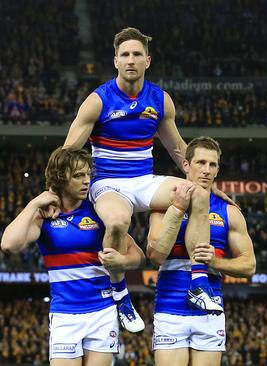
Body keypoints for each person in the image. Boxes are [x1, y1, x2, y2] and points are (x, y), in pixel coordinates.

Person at [62, 27, 222, 327]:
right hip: (108, 183)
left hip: (144, 180)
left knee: (199, 194)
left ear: (148, 60)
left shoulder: (161, 100)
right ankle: (121, 295)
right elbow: (69, 150)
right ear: (115, 61)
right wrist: (54, 191)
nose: (131, 60)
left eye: (137, 54)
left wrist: (204, 180)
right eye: (125, 55)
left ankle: (199, 282)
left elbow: (177, 148)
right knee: (118, 222)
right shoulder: (98, 100)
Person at [0, 147, 145, 365]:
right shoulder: (45, 215)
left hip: (102, 311)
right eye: (79, 176)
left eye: (88, 174)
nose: (87, 181)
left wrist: (122, 261)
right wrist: (34, 204)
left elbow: (138, 256)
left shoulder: (99, 210)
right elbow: (9, 244)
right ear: (60, 178)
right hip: (65, 315)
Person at [147, 136, 256, 366]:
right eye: (200, 163)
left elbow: (249, 266)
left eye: (212, 164)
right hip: (170, 307)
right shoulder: (162, 204)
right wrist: (177, 208)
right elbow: (155, 255)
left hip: (210, 311)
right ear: (186, 165)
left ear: (217, 170)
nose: (206, 170)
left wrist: (216, 263)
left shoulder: (230, 212)